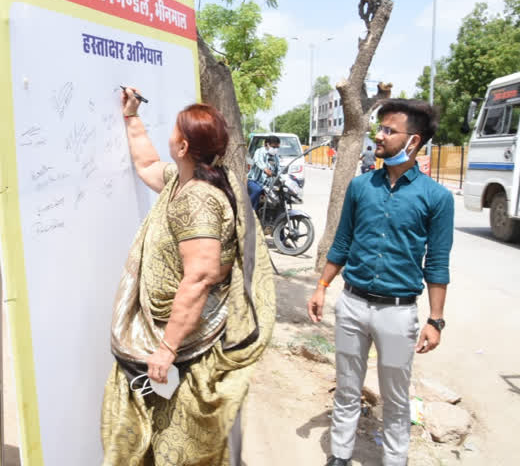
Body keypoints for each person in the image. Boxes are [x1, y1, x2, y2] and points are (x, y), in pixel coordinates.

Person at [101, 88, 276, 465]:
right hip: (173, 338)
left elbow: (199, 276)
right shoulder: (183, 180)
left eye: (175, 131)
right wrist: (132, 118)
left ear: (183, 147)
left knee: (181, 446)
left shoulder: (198, 198)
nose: (170, 135)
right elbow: (147, 166)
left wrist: (167, 347)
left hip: (185, 346)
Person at [307, 99, 454, 466]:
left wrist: (435, 321)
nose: (380, 135)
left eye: (389, 130)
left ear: (413, 140)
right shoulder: (360, 187)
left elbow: (436, 263)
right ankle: (339, 456)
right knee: (346, 387)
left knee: (396, 395)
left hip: (397, 312)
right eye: (381, 128)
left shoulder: (436, 198)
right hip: (353, 303)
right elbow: (342, 242)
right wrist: (322, 287)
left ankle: (394, 459)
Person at [247, 135, 280, 209]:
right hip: (254, 181)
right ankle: (249, 211)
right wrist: (266, 170)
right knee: (257, 190)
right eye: (274, 147)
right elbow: (258, 161)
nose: (275, 149)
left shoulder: (275, 156)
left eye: (277, 147)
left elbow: (279, 168)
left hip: (267, 185)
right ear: (266, 144)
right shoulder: (259, 151)